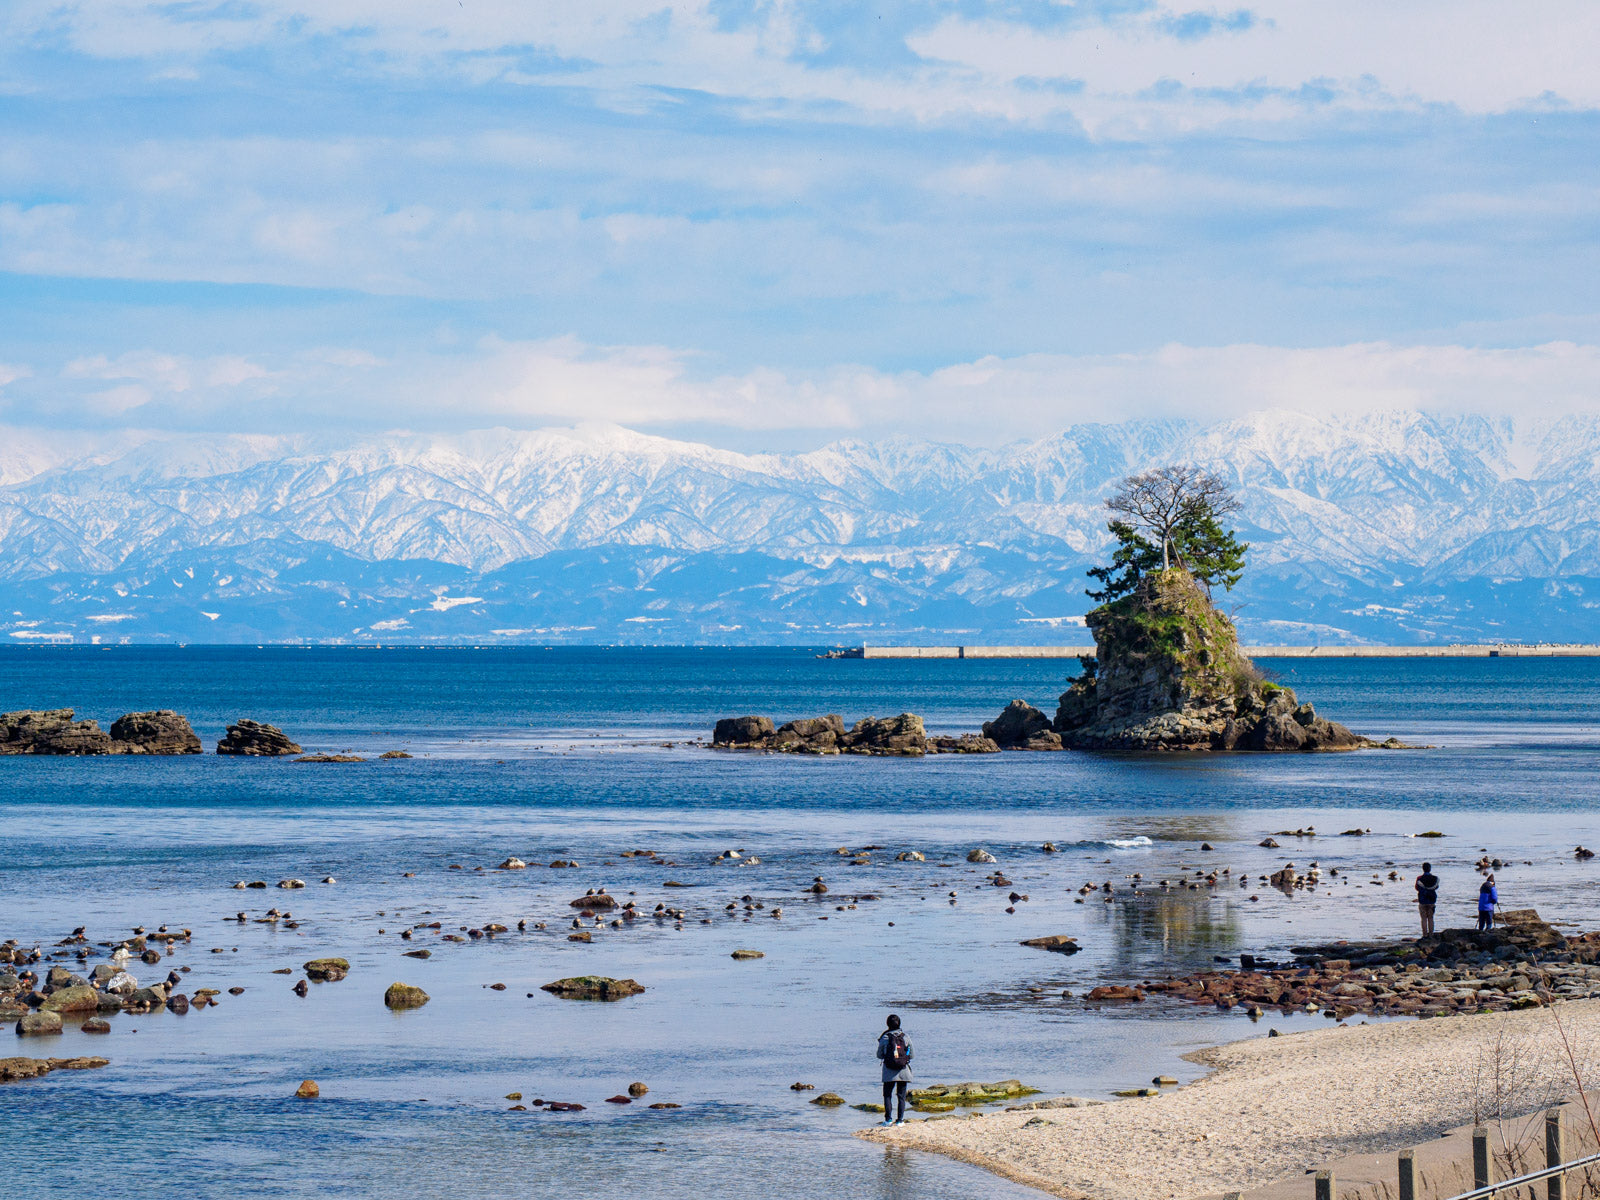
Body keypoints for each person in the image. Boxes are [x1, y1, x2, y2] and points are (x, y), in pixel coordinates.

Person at [876, 1013, 913, 1126]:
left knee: (887, 1095)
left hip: (889, 1071)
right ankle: (900, 1120)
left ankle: (888, 1120)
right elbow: (912, 1055)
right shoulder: (905, 1037)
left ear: (887, 1024)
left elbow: (879, 1055)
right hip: (903, 1070)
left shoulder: (885, 1037)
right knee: (901, 1096)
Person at [1415, 862, 1440, 936]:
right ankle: (1431, 935)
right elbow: (1436, 887)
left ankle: (1425, 935)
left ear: (1423, 869)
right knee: (1431, 918)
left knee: (1423, 919)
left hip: (1422, 900)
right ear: (1430, 869)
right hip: (1431, 900)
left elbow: (1417, 888)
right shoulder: (1435, 878)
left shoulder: (1419, 878)